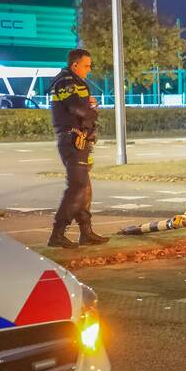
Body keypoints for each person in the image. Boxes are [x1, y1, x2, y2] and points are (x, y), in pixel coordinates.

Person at [47, 48, 108, 248]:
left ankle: (86, 232)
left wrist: (88, 108)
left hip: (80, 140)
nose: (89, 70)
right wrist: (91, 112)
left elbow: (79, 105)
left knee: (84, 187)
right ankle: (58, 233)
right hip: (72, 140)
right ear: (75, 65)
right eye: (86, 65)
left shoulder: (73, 82)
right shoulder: (66, 82)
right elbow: (76, 108)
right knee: (77, 186)